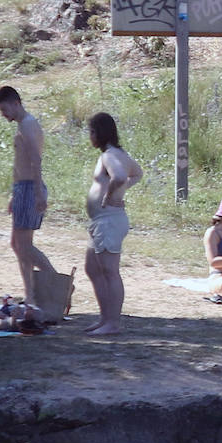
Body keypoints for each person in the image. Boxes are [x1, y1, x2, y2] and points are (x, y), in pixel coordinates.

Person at [0, 85, 57, 304]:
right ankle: (30, 295)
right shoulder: (22, 125)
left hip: (30, 187)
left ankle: (57, 282)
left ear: (15, 103)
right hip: (22, 188)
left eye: (4, 109)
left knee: (24, 245)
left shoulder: (29, 124)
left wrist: (39, 192)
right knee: (16, 244)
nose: (3, 115)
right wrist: (14, 193)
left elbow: (35, 160)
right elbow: (19, 163)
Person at [83, 112, 143, 336]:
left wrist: (110, 196)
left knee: (109, 271)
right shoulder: (119, 153)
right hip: (102, 221)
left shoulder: (109, 155)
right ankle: (104, 318)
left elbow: (119, 176)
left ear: (99, 132)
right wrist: (121, 190)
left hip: (109, 220)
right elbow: (138, 173)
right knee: (92, 268)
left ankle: (113, 323)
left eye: (91, 132)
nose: (89, 136)